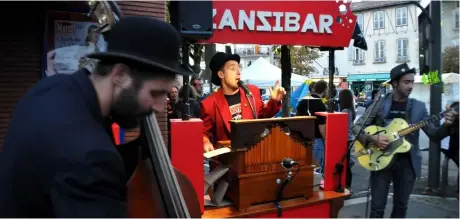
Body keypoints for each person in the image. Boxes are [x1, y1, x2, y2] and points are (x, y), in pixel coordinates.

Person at [0, 16, 193, 217]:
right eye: (155, 93)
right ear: (120, 74)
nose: (161, 107)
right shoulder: (92, 158)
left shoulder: (50, 88)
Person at [352, 63, 458, 218]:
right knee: (377, 208)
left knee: (401, 207)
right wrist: (372, 138)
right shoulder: (380, 103)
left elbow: (435, 135)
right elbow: (357, 127)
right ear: (395, 83)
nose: (410, 86)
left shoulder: (419, 107)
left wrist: (448, 126)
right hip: (380, 160)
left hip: (407, 164)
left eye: (412, 82)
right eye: (406, 82)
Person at [201, 52, 285, 152]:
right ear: (221, 74)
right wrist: (205, 141)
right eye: (232, 69)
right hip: (227, 160)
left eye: (239, 68)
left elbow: (262, 115)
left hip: (254, 154)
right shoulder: (209, 104)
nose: (238, 72)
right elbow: (202, 132)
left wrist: (274, 101)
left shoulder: (251, 92)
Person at [296, 80, 328, 173]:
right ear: (325, 90)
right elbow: (321, 126)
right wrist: (326, 140)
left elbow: (297, 119)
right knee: (316, 170)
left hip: (303, 139)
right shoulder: (320, 104)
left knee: (306, 168)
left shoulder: (303, 101)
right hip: (316, 140)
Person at [338, 89, 356, 192]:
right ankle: (347, 186)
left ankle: (347, 186)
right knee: (347, 163)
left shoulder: (344, 111)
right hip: (349, 138)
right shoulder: (350, 110)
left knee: (346, 164)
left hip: (346, 139)